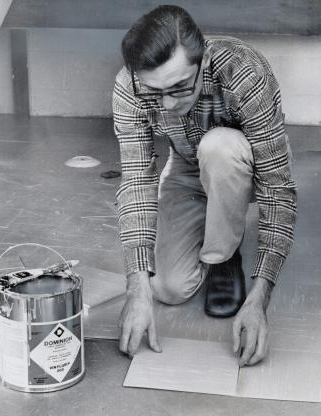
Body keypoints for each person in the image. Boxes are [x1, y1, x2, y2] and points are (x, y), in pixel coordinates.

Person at [112, 5, 297, 367]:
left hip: (243, 159)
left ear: (202, 60)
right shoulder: (128, 86)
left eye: (180, 87)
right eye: (155, 91)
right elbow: (137, 179)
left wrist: (259, 301)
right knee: (166, 288)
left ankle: (224, 258)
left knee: (219, 148)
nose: (168, 104)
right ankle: (211, 234)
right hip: (186, 164)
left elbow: (277, 189)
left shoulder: (242, 72)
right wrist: (136, 287)